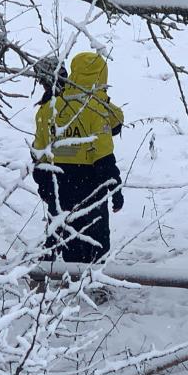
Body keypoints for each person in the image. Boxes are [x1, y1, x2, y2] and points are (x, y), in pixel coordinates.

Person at [31, 52, 124, 272]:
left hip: (57, 181)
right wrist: (115, 188)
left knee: (63, 232)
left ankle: (56, 277)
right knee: (95, 237)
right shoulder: (96, 109)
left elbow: (38, 153)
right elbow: (104, 156)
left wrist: (44, 185)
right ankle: (91, 283)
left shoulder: (48, 108)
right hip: (90, 184)